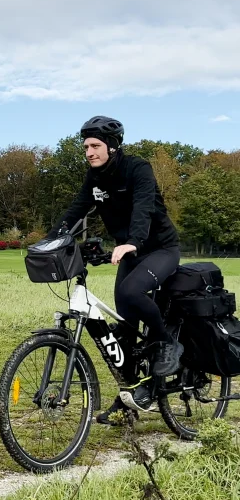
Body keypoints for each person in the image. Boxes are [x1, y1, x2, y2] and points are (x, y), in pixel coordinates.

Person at [48, 116, 182, 419]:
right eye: (85, 147)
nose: (89, 152)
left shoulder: (137, 168)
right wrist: (49, 241)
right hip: (130, 253)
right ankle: (129, 399)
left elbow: (143, 207)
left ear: (112, 145)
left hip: (160, 248)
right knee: (124, 325)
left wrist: (133, 241)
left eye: (95, 146)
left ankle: (166, 346)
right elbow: (75, 211)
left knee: (130, 292)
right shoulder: (94, 177)